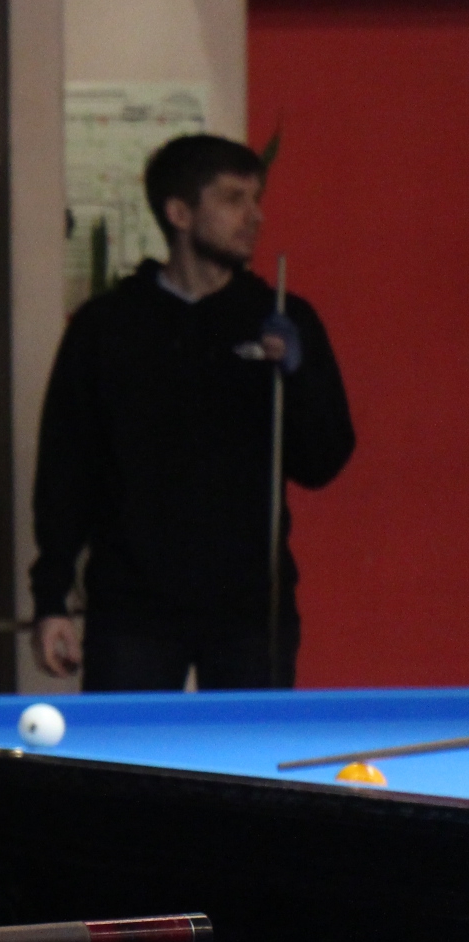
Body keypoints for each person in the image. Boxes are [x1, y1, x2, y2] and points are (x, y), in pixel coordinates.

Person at [31, 133, 355, 691]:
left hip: (252, 606)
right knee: (126, 748)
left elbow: (323, 461)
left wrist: (298, 376)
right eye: (232, 199)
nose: (254, 216)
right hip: (132, 606)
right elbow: (66, 470)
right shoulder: (107, 326)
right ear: (179, 213)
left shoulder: (280, 316)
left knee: (251, 749)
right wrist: (51, 598)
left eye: (255, 199)